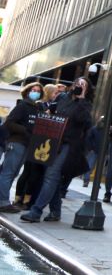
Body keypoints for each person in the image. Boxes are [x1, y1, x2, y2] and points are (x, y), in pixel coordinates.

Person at [20, 77, 93, 223]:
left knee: (51, 175)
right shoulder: (62, 97)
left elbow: (82, 120)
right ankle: (55, 211)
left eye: (83, 85)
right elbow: (51, 110)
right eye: (77, 83)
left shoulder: (85, 104)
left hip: (68, 144)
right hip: (53, 141)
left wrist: (81, 98)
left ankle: (36, 211)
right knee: (54, 178)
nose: (79, 86)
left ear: (87, 89)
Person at [0, 82, 43, 212]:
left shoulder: (37, 108)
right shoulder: (23, 106)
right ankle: (3, 202)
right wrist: (25, 130)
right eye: (33, 90)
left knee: (13, 173)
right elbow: (9, 123)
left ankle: (3, 200)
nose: (35, 92)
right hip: (17, 142)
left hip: (26, 144)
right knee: (8, 173)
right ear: (27, 91)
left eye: (38, 91)